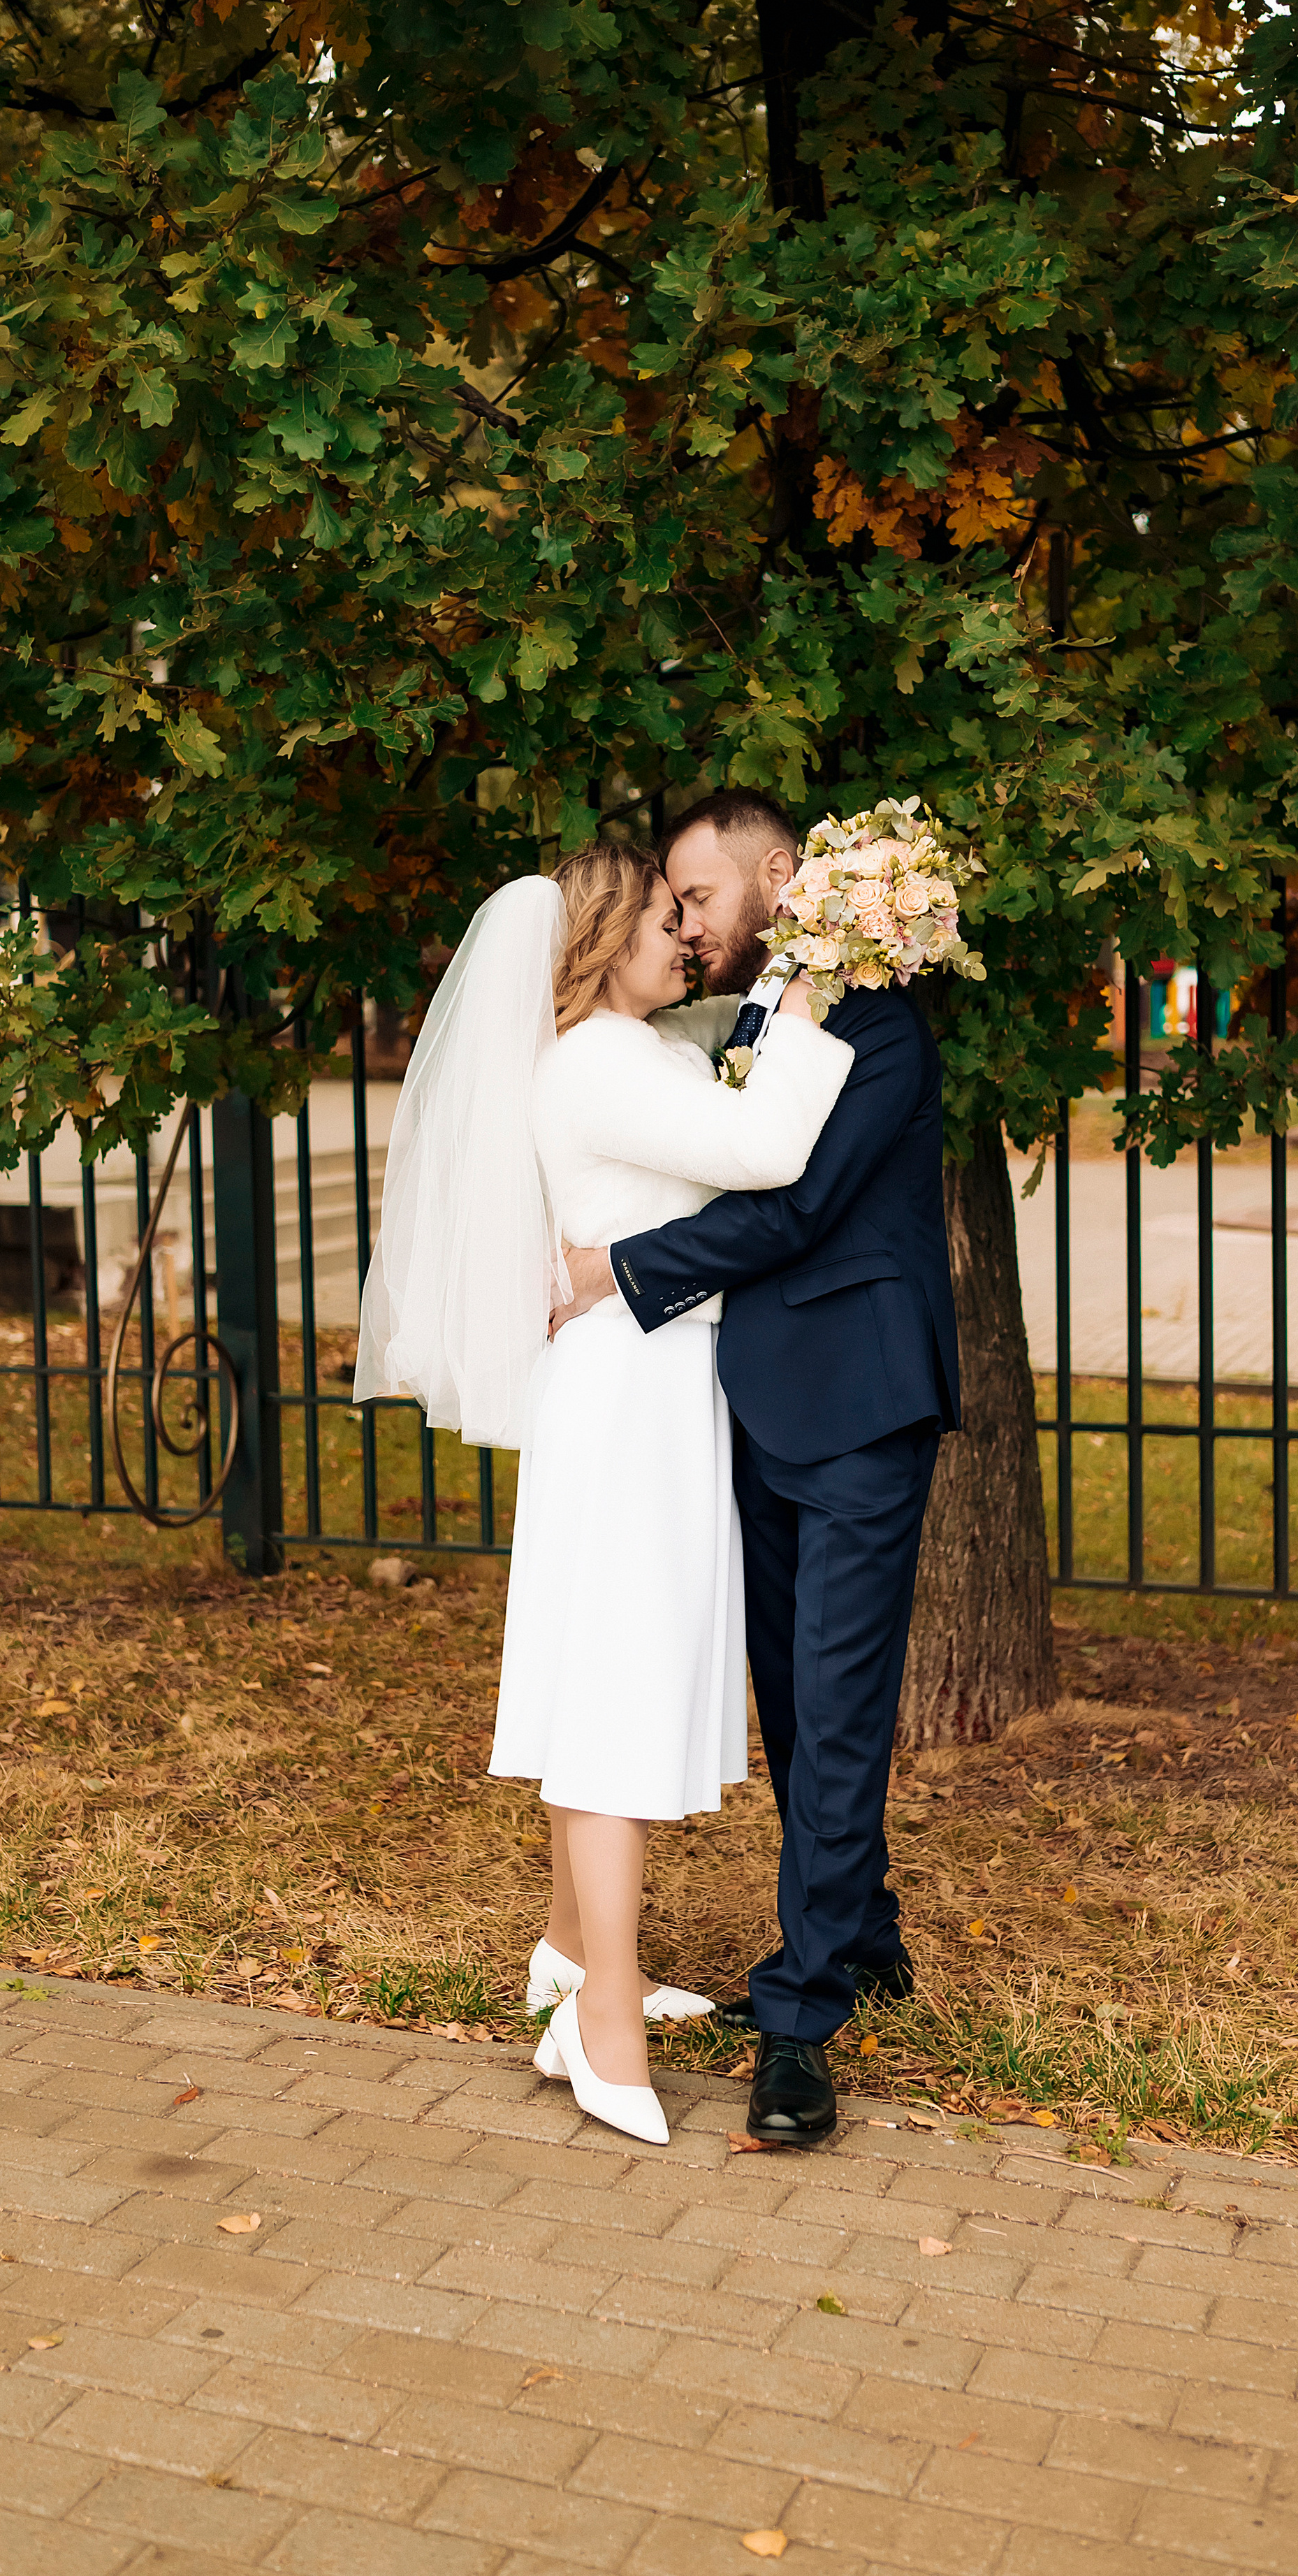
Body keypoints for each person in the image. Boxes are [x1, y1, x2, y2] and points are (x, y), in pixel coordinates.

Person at [354, 844, 852, 2146]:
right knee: (613, 1694)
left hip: (655, 1391)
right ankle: (605, 2019)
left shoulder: (632, 1048)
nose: (680, 935)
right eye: (656, 919)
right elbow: (764, 1143)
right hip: (629, 1406)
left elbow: (707, 1099)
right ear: (595, 943)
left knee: (622, 1668)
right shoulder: (592, 1063)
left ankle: (570, 1961)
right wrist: (803, 1012)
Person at [555, 790, 959, 2148]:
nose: (681, 919)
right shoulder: (751, 1021)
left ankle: (797, 2028)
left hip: (857, 1409)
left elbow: (790, 1209)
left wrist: (620, 1269)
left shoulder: (882, 1027)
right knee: (798, 1706)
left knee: (836, 1713)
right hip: (758, 1409)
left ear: (779, 878)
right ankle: (867, 1939)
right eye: (667, 902)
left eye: (696, 895)